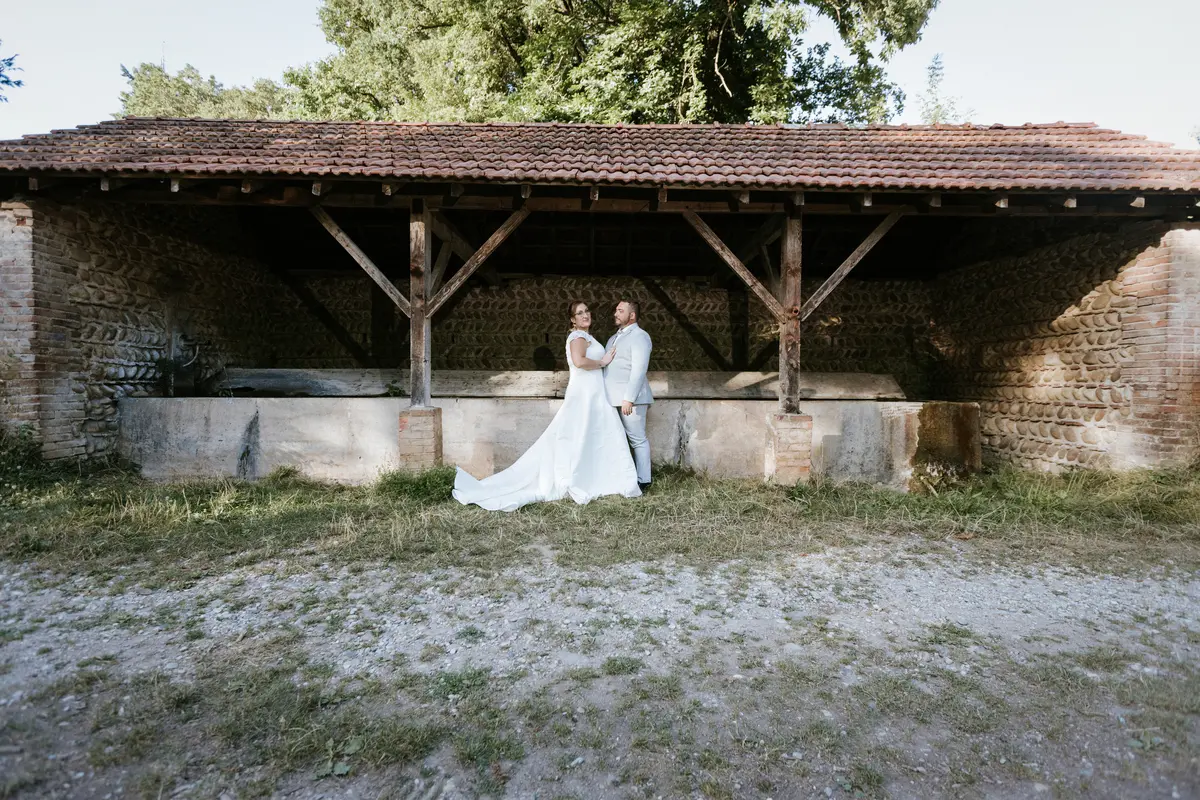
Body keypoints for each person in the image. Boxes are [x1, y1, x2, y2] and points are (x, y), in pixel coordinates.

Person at [452, 301, 642, 512]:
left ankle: (599, 476)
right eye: (580, 313)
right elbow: (579, 362)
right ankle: (580, 477)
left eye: (587, 311)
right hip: (585, 393)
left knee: (590, 435)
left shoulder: (586, 336)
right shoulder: (578, 336)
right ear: (573, 319)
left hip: (594, 392)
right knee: (580, 434)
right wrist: (603, 362)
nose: (585, 315)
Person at [602, 299, 654, 490]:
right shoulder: (613, 338)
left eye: (620, 310)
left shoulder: (640, 336)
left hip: (630, 400)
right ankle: (622, 477)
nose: (616, 313)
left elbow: (639, 370)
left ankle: (644, 480)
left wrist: (629, 399)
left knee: (637, 439)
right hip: (612, 398)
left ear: (632, 315)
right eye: (616, 310)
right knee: (617, 439)